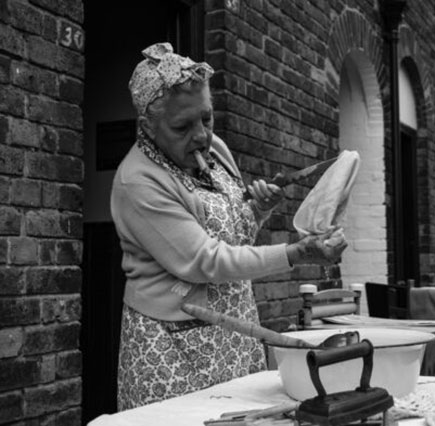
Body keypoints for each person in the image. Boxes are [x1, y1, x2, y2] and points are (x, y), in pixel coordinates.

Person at [111, 43, 347, 410]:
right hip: (173, 342)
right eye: (182, 126)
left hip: (235, 329)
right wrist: (297, 254)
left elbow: (234, 235)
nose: (202, 136)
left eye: (206, 118)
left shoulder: (214, 149)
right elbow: (207, 261)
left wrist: (259, 211)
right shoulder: (137, 182)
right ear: (148, 127)